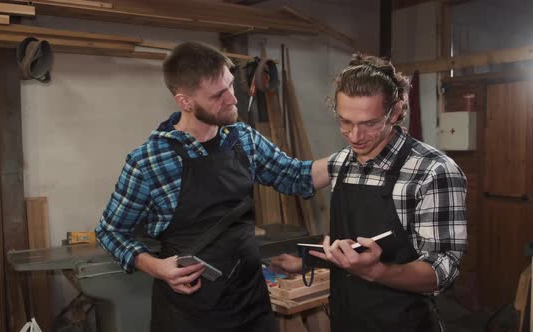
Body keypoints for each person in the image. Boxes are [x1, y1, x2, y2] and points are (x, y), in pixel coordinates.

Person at [95, 41, 330, 332]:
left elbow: (297, 176)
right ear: (185, 102)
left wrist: (351, 157)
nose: (232, 99)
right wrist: (155, 267)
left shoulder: (243, 139)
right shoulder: (150, 161)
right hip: (189, 314)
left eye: (231, 86)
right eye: (218, 95)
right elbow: (110, 231)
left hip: (251, 303)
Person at [271, 54, 468, 332]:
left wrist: (376, 271)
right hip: (346, 319)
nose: (355, 136)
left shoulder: (433, 171)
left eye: (370, 123)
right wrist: (308, 263)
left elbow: (442, 270)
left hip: (403, 324)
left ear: (397, 111)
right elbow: (292, 176)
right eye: (345, 122)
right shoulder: (342, 163)